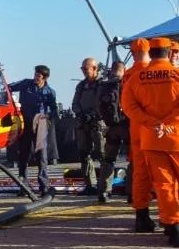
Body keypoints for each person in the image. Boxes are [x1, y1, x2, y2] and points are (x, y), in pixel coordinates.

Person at [125, 37, 179, 247]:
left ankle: (175, 231)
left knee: (164, 186)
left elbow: (128, 106)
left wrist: (153, 123)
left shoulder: (135, 78)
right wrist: (171, 121)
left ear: (150, 53)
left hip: (151, 139)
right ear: (170, 53)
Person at [121, 38, 156, 232]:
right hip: (156, 129)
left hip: (136, 127)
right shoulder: (152, 71)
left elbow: (125, 104)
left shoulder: (128, 74)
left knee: (140, 174)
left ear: (133, 53)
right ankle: (170, 219)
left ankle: (141, 216)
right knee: (162, 175)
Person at [8, 65, 57, 196]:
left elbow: (54, 110)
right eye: (35, 74)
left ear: (45, 78)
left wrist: (47, 116)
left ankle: (44, 186)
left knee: (42, 156)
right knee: (23, 155)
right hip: (26, 125)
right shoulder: (26, 84)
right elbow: (8, 87)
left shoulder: (50, 92)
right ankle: (23, 186)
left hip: (40, 126)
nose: (35, 77)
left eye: (38, 76)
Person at [72, 57, 106, 195]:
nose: (84, 71)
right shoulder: (81, 86)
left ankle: (104, 186)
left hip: (98, 123)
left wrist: (93, 115)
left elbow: (105, 103)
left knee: (103, 155)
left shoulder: (103, 84)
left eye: (86, 68)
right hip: (83, 123)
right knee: (84, 154)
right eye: (82, 69)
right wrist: (80, 113)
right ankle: (90, 185)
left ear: (95, 68)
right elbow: (75, 103)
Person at [96, 61, 126, 203]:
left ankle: (103, 191)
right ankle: (132, 191)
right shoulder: (126, 83)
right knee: (134, 159)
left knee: (108, 160)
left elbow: (98, 106)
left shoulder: (104, 85)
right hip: (126, 125)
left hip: (111, 127)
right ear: (123, 70)